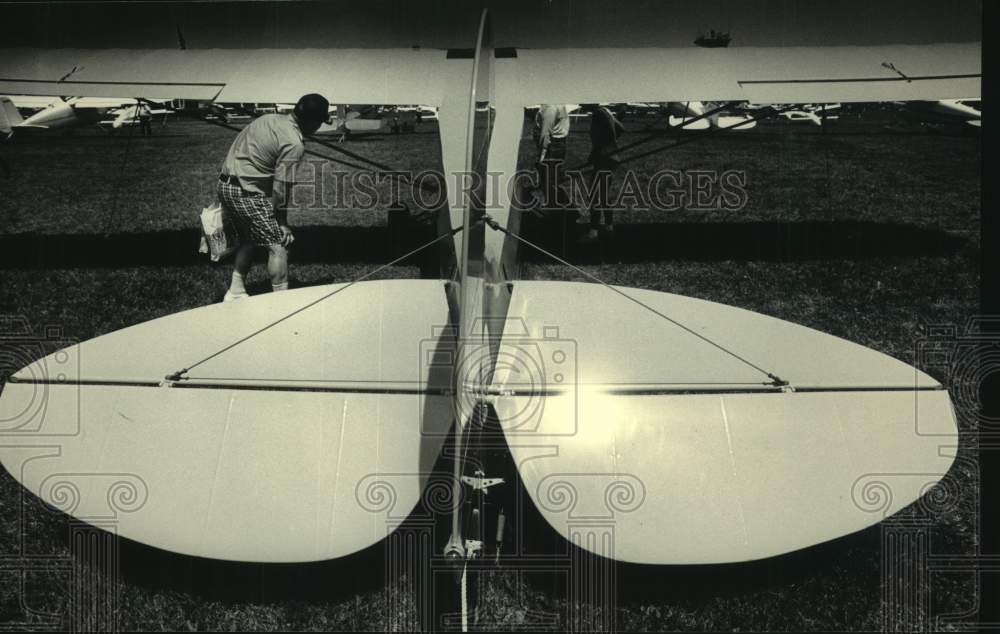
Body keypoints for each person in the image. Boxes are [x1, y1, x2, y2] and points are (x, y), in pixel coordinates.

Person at [217, 93, 330, 302]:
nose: (318, 128)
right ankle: (282, 304)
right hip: (246, 192)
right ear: (312, 121)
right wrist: (282, 223)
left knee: (250, 237)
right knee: (278, 244)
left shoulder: (268, 118)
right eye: (319, 122)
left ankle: (235, 291)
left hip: (225, 185)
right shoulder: (294, 143)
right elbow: (280, 189)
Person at [580, 103, 625, 243]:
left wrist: (596, 152)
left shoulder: (599, 114)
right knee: (602, 194)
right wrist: (611, 144)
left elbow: (607, 134)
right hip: (609, 157)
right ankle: (609, 227)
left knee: (595, 195)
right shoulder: (605, 111)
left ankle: (593, 232)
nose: (581, 105)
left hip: (604, 158)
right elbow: (620, 128)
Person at [533, 104, 572, 212]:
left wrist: (540, 156)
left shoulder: (551, 108)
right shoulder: (558, 106)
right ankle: (556, 205)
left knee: (548, 180)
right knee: (552, 179)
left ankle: (554, 207)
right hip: (557, 146)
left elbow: (545, 135)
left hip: (552, 148)